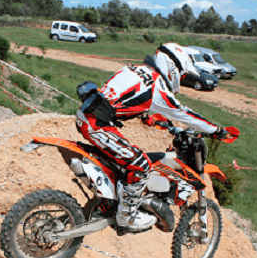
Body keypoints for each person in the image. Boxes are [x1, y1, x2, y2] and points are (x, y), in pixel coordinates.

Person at [75, 43, 234, 232]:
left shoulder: (136, 69)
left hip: (87, 117)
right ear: (173, 69)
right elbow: (183, 113)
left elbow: (123, 97)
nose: (181, 81)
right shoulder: (156, 85)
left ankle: (107, 205)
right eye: (182, 75)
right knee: (140, 164)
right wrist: (216, 130)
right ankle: (127, 216)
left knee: (122, 163)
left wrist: (149, 118)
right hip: (97, 125)